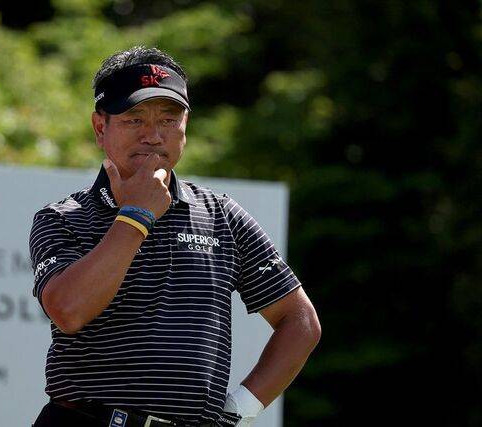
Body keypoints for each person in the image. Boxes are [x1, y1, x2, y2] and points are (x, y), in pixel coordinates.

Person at [29, 46, 321, 427]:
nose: (153, 136)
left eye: (169, 119)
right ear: (101, 127)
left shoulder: (222, 216)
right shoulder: (64, 217)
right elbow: (69, 310)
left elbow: (300, 321)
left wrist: (238, 411)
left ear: (186, 125)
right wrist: (136, 216)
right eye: (135, 119)